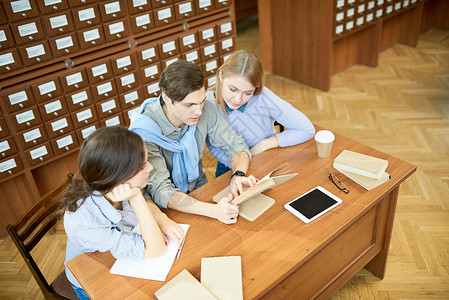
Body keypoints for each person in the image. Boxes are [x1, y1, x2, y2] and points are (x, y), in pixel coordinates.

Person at [59, 126, 184, 300]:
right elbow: (156, 249)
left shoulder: (114, 187)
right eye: (142, 167)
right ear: (117, 176)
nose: (150, 168)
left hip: (116, 257)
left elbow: (146, 195)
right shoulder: (82, 222)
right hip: (91, 277)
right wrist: (136, 198)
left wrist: (160, 218)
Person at [129, 60, 257, 225]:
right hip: (164, 210)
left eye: (201, 101)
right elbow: (162, 191)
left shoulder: (205, 109)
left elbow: (236, 146)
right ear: (166, 97)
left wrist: (238, 175)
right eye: (189, 105)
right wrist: (213, 211)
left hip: (199, 190)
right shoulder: (144, 133)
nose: (198, 111)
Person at [206, 50, 316, 177]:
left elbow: (307, 129)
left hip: (267, 157)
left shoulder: (263, 97)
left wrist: (265, 144)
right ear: (221, 75)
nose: (238, 99)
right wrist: (242, 164)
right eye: (233, 89)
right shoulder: (207, 105)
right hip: (230, 167)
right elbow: (214, 147)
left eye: (248, 93)